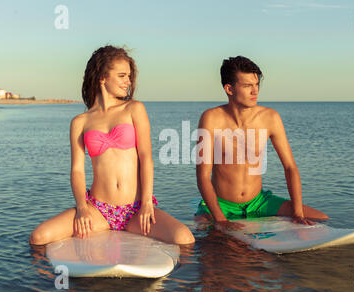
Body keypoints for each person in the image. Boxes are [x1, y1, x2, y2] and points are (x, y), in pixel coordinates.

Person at [30, 45, 194, 245]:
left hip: (135, 210)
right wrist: (82, 207)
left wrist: (147, 203)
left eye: (129, 76)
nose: (128, 82)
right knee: (39, 237)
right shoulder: (80, 122)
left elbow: (146, 158)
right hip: (98, 210)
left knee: (184, 238)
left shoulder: (134, 109)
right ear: (102, 77)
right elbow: (77, 171)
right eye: (122, 76)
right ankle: (49, 277)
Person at [195, 56, 329, 227]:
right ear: (229, 89)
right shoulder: (211, 118)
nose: (255, 91)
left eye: (256, 84)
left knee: (320, 218)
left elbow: (290, 167)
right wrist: (221, 220)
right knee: (201, 232)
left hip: (258, 202)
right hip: (221, 204)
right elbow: (203, 177)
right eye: (247, 86)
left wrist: (297, 213)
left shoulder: (270, 118)